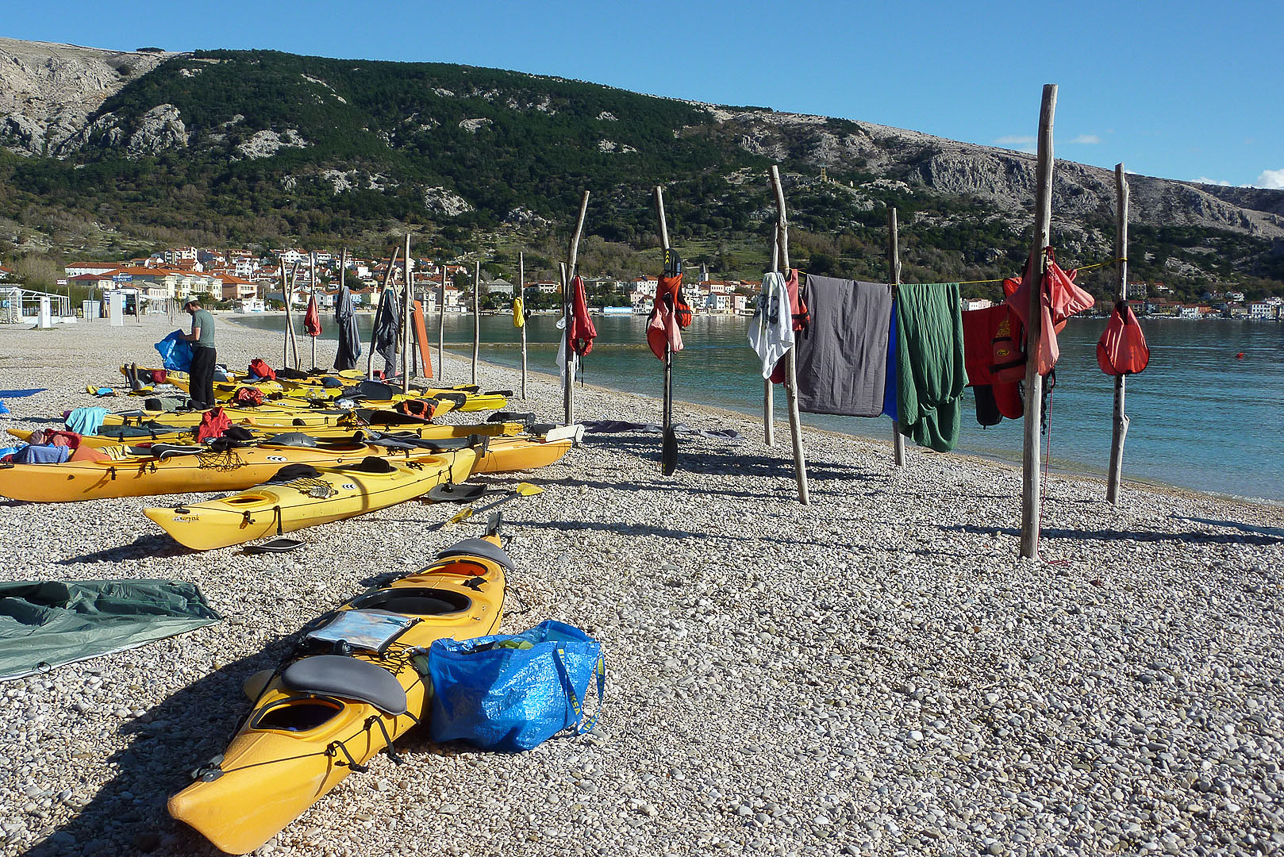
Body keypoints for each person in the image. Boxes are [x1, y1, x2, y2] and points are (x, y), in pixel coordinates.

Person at [178, 297, 216, 409]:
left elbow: (196, 336)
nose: (187, 311)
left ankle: (199, 404)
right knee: (208, 379)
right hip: (211, 350)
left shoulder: (197, 315)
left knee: (197, 379)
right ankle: (210, 403)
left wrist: (183, 337)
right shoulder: (207, 314)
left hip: (202, 350)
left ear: (190, 305)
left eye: (186, 309)